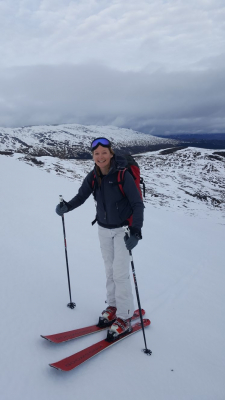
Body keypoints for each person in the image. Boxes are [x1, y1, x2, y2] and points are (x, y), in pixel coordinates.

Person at [56, 137, 144, 338]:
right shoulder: (94, 176)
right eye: (96, 153)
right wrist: (67, 206)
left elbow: (138, 204)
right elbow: (81, 196)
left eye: (104, 152)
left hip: (123, 230)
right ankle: (112, 307)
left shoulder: (123, 175)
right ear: (93, 156)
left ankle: (125, 316)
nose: (100, 156)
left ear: (111, 154)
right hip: (103, 230)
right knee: (109, 271)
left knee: (120, 274)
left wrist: (136, 232)